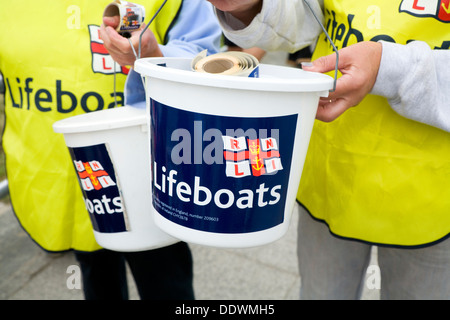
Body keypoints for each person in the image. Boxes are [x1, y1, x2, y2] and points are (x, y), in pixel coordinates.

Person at [208, 0, 450, 299]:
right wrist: (253, 8)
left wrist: (388, 67)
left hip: (432, 196)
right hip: (330, 174)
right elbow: (305, 18)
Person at [0, 0, 221, 300]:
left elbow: (206, 56)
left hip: (150, 178)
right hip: (65, 182)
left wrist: (156, 56)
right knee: (97, 279)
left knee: (166, 282)